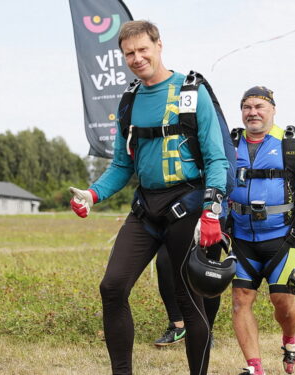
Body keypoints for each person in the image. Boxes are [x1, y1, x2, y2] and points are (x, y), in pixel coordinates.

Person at [68, 20, 228, 375]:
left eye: (143, 50)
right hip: (146, 208)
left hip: (187, 206)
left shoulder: (192, 92)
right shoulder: (129, 100)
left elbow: (216, 158)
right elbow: (122, 165)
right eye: (129, 54)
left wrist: (212, 211)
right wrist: (92, 194)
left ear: (158, 45)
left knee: (191, 301)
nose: (137, 58)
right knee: (112, 287)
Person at [229, 86, 295, 375]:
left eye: (259, 106)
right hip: (241, 237)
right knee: (240, 301)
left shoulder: (289, 143)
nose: (253, 112)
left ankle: (290, 339)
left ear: (273, 109)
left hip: (281, 238)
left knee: (283, 303)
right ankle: (255, 367)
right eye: (247, 107)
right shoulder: (230, 143)